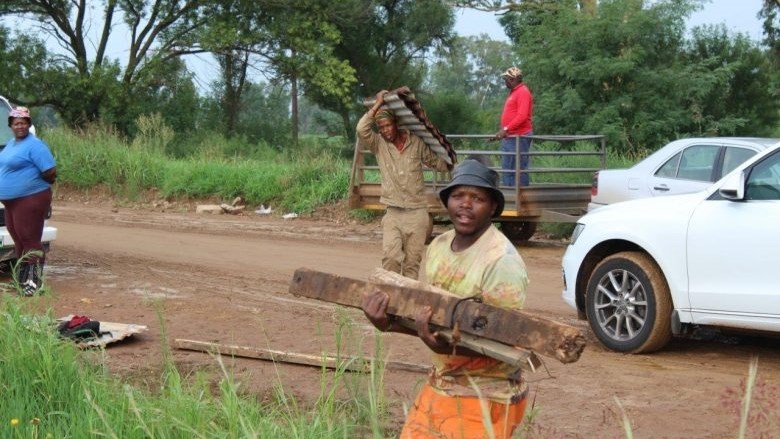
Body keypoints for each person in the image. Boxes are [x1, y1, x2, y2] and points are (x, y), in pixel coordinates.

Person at [362, 159, 530, 438]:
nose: (465, 204)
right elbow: (433, 319)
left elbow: (505, 343)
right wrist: (387, 324)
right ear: (446, 201)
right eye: (457, 196)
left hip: (488, 392)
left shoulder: (501, 261)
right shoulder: (439, 246)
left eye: (477, 198)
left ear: (493, 208)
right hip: (443, 382)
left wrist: (442, 346)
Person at [356, 90, 452, 280]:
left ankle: (405, 308)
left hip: (417, 214)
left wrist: (452, 164)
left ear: (396, 124)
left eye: (387, 126)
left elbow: (436, 162)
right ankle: (390, 304)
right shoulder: (378, 144)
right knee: (390, 260)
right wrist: (378, 104)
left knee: (411, 266)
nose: (384, 131)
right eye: (380, 127)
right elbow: (361, 129)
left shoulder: (415, 143)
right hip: (393, 214)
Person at [0, 107, 57, 296]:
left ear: (29, 125)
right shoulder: (11, 144)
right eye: (16, 123)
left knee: (30, 239)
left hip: (30, 199)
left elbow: (50, 171)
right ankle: (22, 280)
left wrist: (31, 185)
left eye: (23, 123)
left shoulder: (35, 145)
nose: (20, 126)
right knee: (18, 239)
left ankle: (34, 282)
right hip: (12, 202)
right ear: (11, 126)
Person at [494, 66, 533, 187]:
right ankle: (511, 195)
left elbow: (522, 116)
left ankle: (517, 197)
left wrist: (506, 129)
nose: (504, 81)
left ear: (512, 79)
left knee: (516, 169)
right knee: (509, 168)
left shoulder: (523, 92)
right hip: (511, 136)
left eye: (506, 79)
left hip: (518, 136)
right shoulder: (515, 92)